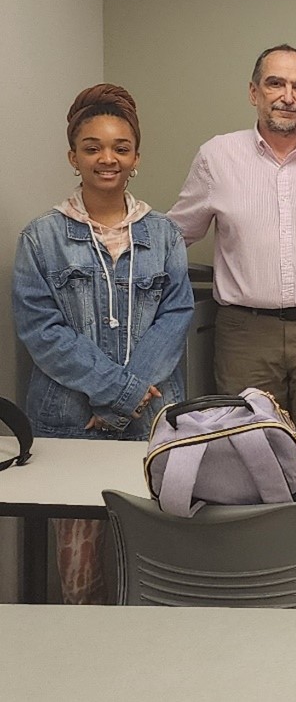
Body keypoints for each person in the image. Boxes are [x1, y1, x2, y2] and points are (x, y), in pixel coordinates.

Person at [13, 84, 194, 604]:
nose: (106, 158)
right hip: (69, 422)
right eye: (91, 147)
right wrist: (117, 391)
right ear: (73, 156)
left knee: (154, 559)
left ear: (136, 156)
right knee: (80, 569)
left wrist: (122, 397)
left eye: (119, 147)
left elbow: (176, 315)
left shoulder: (163, 235)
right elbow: (42, 331)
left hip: (151, 420)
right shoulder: (40, 238)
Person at [168, 44, 296, 447]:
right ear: (254, 92)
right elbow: (173, 236)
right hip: (245, 336)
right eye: (275, 83)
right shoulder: (217, 157)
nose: (288, 97)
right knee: (246, 453)